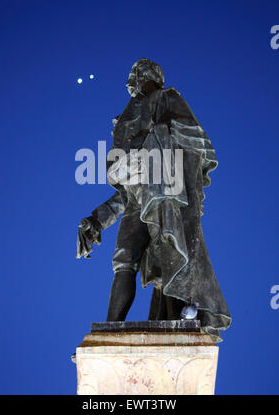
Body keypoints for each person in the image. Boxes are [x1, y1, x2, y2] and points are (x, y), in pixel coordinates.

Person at [77, 58, 231, 341]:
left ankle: (179, 317)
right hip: (138, 197)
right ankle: (109, 334)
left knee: (170, 254)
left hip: (163, 196)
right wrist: (97, 219)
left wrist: (157, 144)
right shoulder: (127, 114)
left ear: (148, 76)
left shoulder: (168, 98)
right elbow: (125, 192)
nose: (130, 83)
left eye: (135, 75)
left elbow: (197, 144)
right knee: (123, 260)